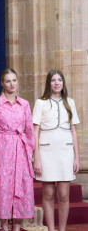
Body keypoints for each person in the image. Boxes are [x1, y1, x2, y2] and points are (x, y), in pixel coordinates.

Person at [0, 68, 35, 231]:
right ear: (2, 83)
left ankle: (17, 228)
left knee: (22, 186)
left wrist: (29, 153)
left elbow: (30, 131)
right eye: (8, 81)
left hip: (21, 150)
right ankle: (4, 227)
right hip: (2, 151)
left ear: (17, 82)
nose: (11, 84)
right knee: (3, 188)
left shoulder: (25, 104)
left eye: (14, 80)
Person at [33, 69, 80, 231]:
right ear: (49, 83)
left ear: (63, 83)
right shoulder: (40, 103)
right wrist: (36, 158)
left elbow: (73, 131)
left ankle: (62, 229)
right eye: (53, 80)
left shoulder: (70, 102)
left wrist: (77, 158)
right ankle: (51, 229)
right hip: (46, 152)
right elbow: (35, 131)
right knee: (47, 194)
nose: (57, 83)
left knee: (64, 195)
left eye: (59, 80)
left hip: (66, 152)